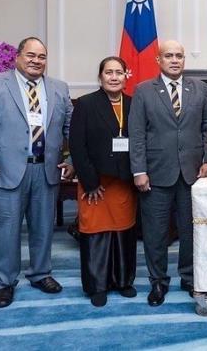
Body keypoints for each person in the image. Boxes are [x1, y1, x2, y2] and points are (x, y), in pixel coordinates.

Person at [0, 36, 74, 308]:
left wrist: (73, 160)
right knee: (5, 230)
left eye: (42, 57)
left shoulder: (59, 88)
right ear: (17, 56)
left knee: (43, 228)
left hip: (45, 170)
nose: (37, 61)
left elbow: (74, 127)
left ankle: (40, 273)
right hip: (5, 171)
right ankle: (4, 282)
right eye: (31, 55)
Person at [128, 40, 207, 307]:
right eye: (169, 56)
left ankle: (188, 278)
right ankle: (158, 281)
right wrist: (139, 170)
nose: (175, 60)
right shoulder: (143, 91)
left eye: (179, 55)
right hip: (155, 174)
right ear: (158, 60)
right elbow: (137, 134)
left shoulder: (199, 88)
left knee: (191, 230)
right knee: (155, 232)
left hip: (192, 175)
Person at [69, 56, 138, 307]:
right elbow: (77, 145)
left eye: (119, 72)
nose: (114, 77)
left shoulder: (133, 104)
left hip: (123, 181)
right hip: (95, 183)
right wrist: (89, 182)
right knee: (95, 233)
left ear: (125, 76)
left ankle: (123, 281)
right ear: (100, 77)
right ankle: (97, 286)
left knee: (123, 232)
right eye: (108, 72)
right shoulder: (86, 104)